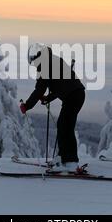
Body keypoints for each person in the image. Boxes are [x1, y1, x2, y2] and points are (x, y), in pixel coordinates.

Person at [20, 44, 85, 172]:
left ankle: (70, 162)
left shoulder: (45, 65)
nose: (34, 65)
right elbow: (62, 85)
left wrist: (27, 105)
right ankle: (64, 159)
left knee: (65, 126)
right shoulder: (53, 60)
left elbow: (39, 89)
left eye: (33, 61)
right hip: (76, 94)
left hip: (72, 97)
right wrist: (48, 98)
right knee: (64, 125)